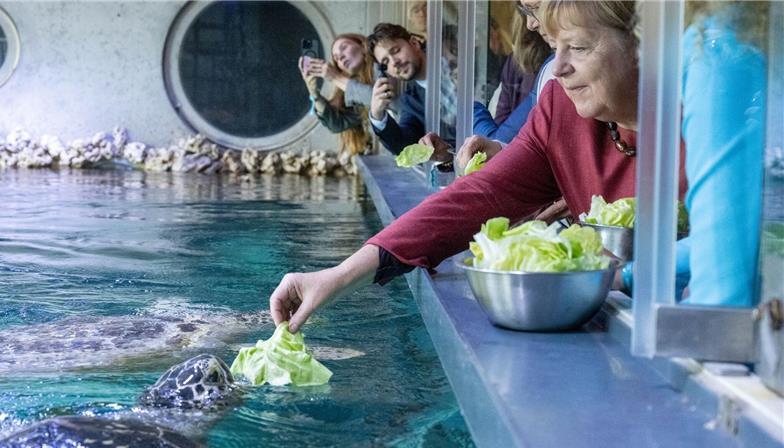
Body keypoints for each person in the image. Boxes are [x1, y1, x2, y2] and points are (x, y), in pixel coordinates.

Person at [271, 0, 688, 333]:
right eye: (555, 47)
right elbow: (479, 195)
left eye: (577, 47)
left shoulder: (703, 116)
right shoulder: (561, 106)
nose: (557, 69)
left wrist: (626, 277)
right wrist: (339, 275)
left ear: (643, 42)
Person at [619, 1, 768, 307]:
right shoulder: (750, 38)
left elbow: (721, 300)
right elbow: (733, 232)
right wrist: (630, 274)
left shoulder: (716, 49)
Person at [367, 23, 455, 160]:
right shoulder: (410, 102)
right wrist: (377, 115)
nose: (394, 63)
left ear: (414, 43)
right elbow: (404, 147)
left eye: (395, 51)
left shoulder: (456, 57)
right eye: (385, 62)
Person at [474, 0, 553, 144]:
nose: (530, 24)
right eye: (526, 11)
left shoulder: (552, 67)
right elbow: (501, 139)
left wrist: (472, 110)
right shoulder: (515, 62)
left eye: (536, 8)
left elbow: (498, 141)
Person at [299, 34, 377, 156]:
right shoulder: (350, 91)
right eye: (335, 58)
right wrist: (314, 92)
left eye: (344, 47)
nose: (340, 57)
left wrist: (335, 77)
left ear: (363, 46)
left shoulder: (381, 65)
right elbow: (336, 124)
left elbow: (378, 99)